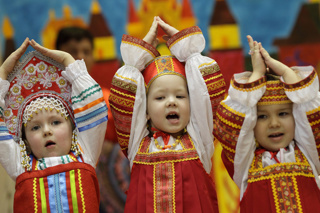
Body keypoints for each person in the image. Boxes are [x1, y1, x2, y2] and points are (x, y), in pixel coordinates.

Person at [109, 16, 226, 212]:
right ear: (144, 111)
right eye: (160, 98)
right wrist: (140, 52)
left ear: (192, 103)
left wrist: (186, 48)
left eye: (180, 96)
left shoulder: (200, 139)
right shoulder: (135, 143)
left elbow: (207, 88)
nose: (171, 101)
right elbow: (124, 92)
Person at [213, 35, 320, 212]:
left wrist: (286, 73)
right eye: (262, 117)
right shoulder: (244, 160)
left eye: (283, 113)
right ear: (251, 123)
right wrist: (256, 74)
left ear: (296, 117)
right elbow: (231, 121)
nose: (274, 123)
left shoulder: (310, 152)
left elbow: (310, 108)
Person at [0, 37, 108, 212]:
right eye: (35, 127)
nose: (47, 131)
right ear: (25, 140)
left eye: (56, 122)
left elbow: (94, 108)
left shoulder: (85, 153)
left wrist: (68, 60)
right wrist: (2, 72)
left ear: (73, 128)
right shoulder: (19, 165)